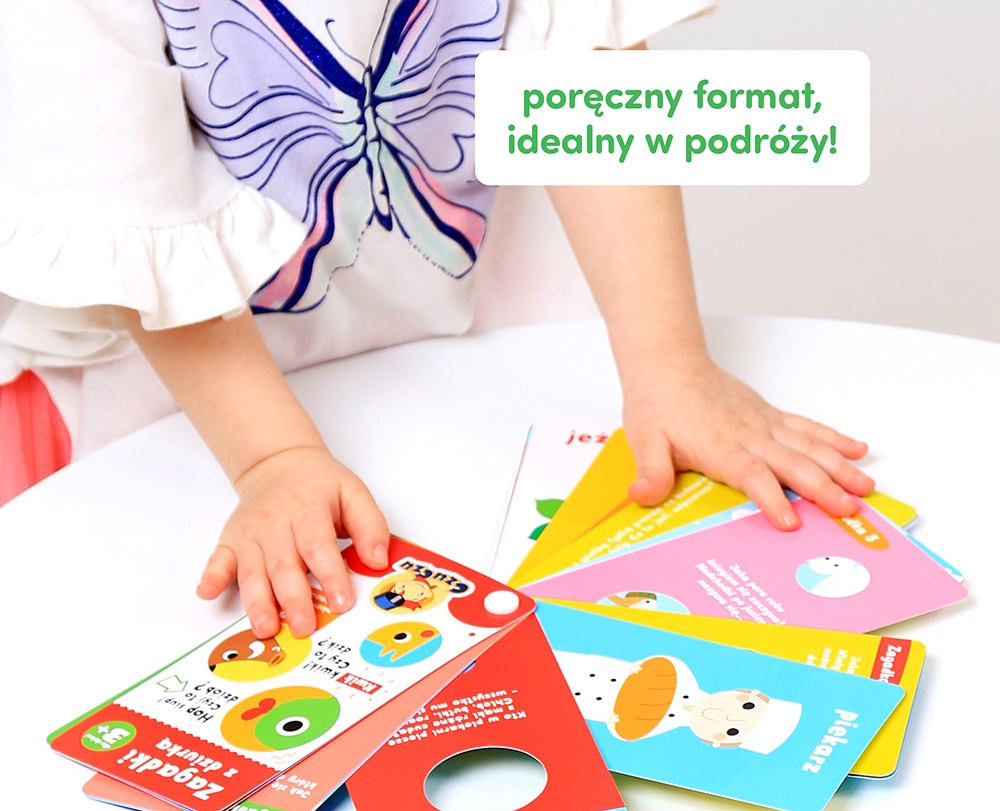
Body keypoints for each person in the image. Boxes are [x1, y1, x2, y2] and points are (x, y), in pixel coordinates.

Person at [0, 1, 873, 641]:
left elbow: (585, 74)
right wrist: (274, 460)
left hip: (469, 322)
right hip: (187, 390)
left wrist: (670, 364)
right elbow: (136, 203)